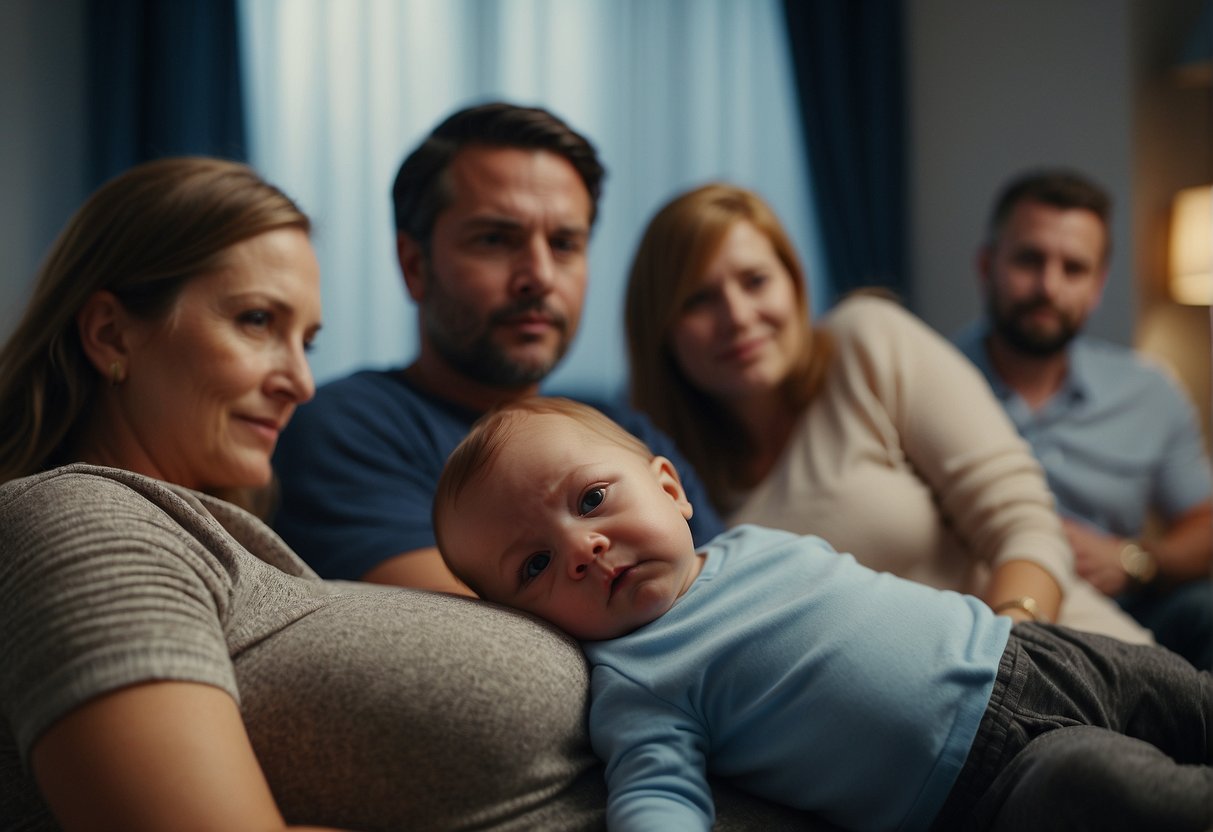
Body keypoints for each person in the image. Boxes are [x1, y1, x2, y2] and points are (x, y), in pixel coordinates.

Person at [0, 157, 812, 832]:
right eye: (255, 321)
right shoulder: (76, 517)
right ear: (111, 334)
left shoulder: (232, 552)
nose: (301, 382)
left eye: (307, 340)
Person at [433, 396, 1213, 832]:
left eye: (592, 498)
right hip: (985, 785)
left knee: (1186, 696)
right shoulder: (636, 681)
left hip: (1033, 650)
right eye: (534, 565)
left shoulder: (750, 543)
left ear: (669, 489)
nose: (581, 547)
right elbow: (655, 790)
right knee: (1126, 796)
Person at [623, 182, 1149, 643]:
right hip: (935, 744)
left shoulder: (867, 341)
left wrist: (1008, 667)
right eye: (698, 299)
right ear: (659, 328)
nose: (737, 317)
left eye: (756, 281)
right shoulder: (671, 490)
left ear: (793, 282)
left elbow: (1027, 526)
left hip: (1071, 657)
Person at [271, 102, 722, 594]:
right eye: (495, 239)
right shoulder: (345, 427)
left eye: (565, 243)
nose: (540, 277)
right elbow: (497, 651)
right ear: (415, 266)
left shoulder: (623, 432)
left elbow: (725, 592)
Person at [952, 170, 1213, 669]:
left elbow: (1204, 526)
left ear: (1097, 286)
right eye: (1029, 260)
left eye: (1074, 268)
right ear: (987, 265)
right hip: (984, 616)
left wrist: (1135, 560)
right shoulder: (931, 382)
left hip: (1126, 613)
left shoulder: (1149, 390)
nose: (1048, 286)